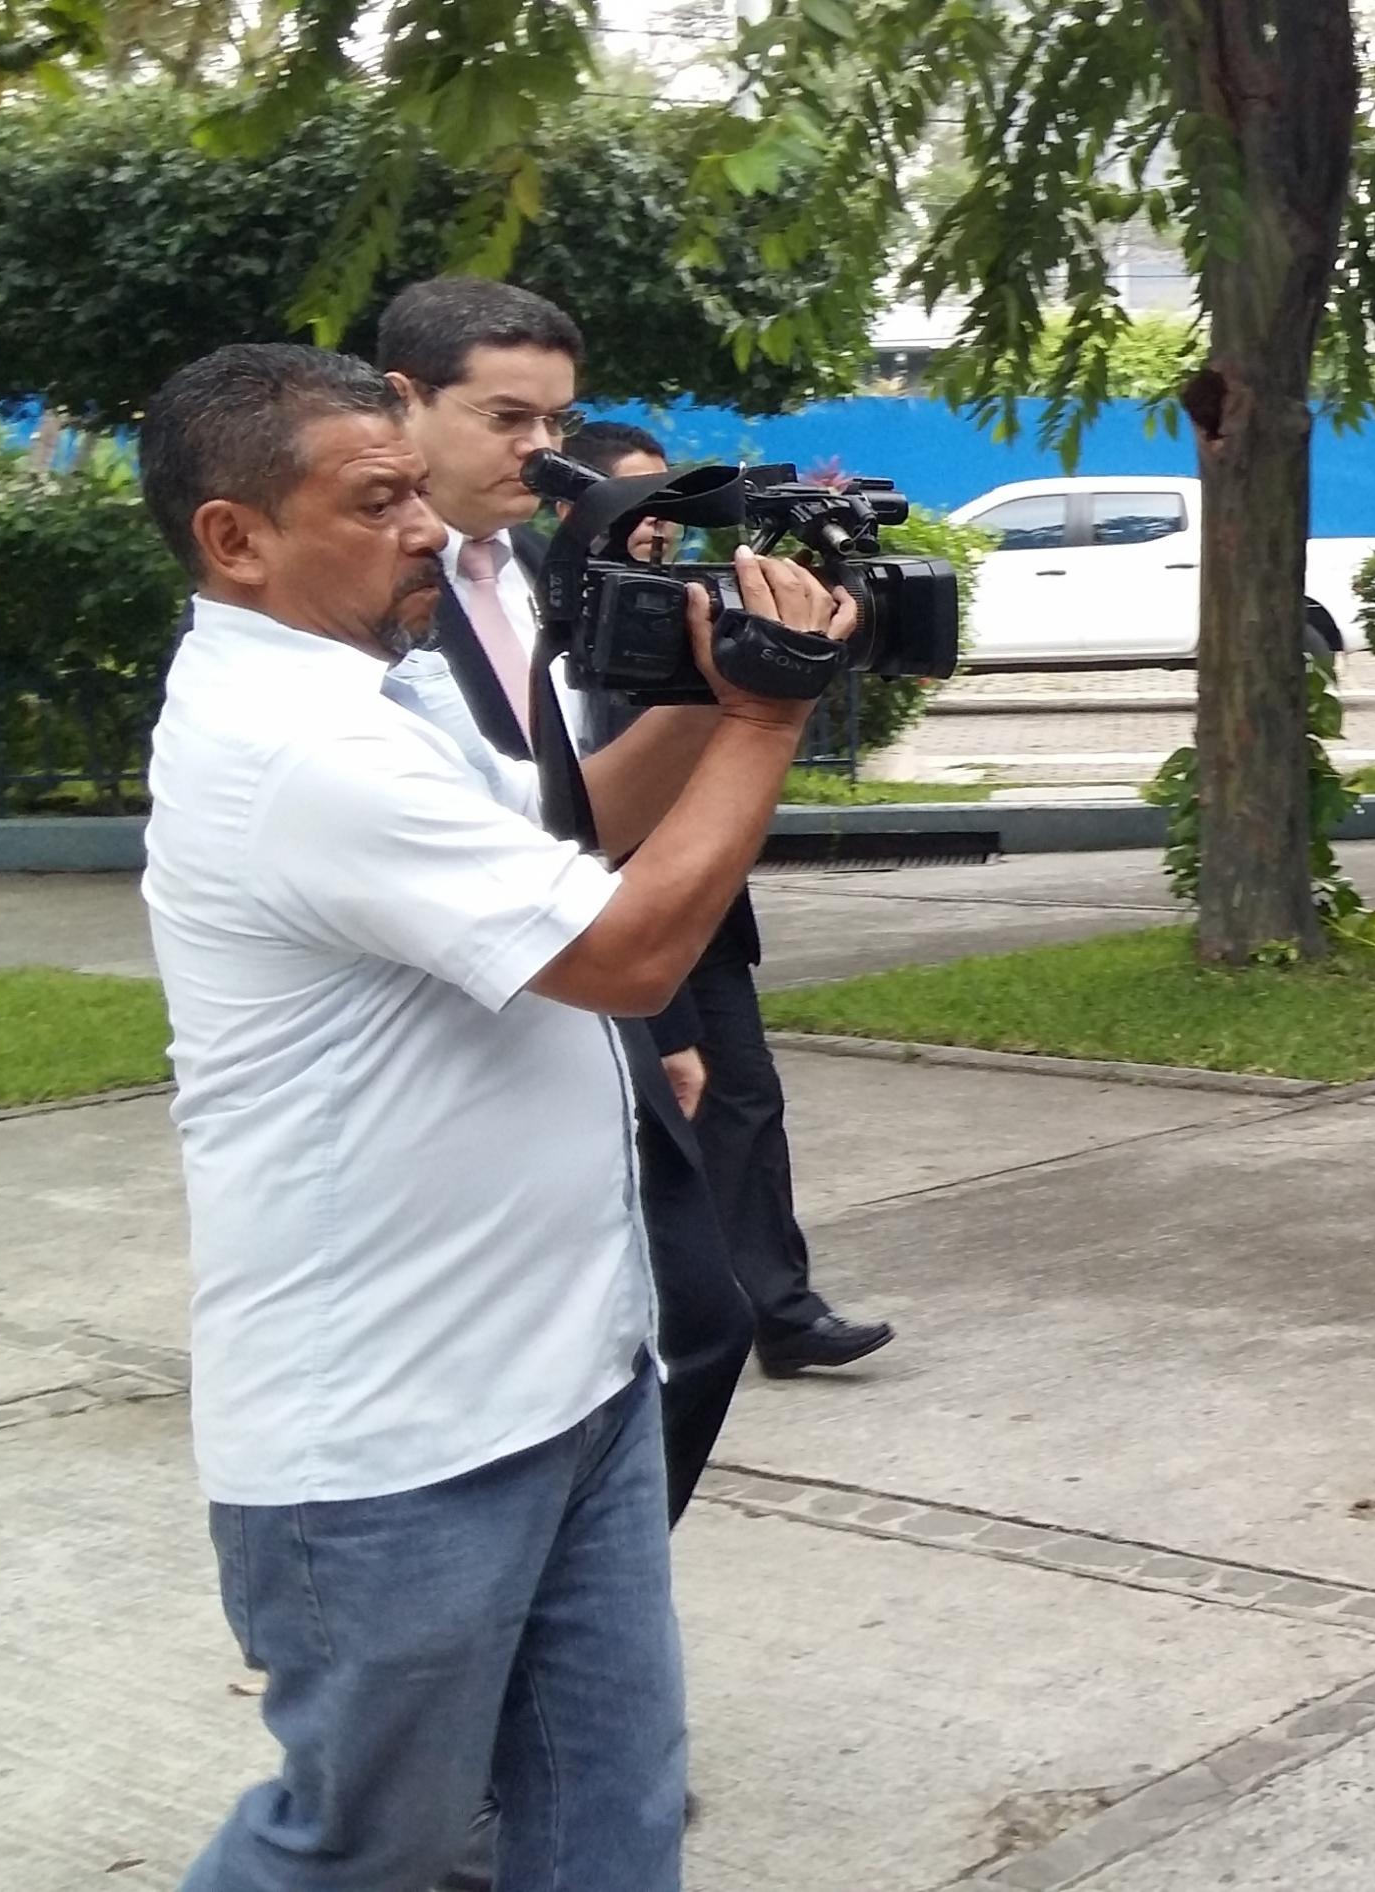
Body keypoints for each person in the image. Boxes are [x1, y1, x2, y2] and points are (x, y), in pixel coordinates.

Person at [139, 342, 855, 1888]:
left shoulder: (375, 694)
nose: (422, 528)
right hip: (396, 1440)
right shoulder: (297, 749)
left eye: (414, 491)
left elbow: (568, 835)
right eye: (376, 499)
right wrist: (768, 726)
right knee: (357, 1851)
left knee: (608, 1817)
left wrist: (715, 689)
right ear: (233, 537)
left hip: (568, 1377)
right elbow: (624, 948)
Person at [373, 277, 757, 1520]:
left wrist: (672, 1020)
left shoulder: (547, 566)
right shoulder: (348, 602)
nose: (540, 453)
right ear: (403, 402)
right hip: (449, 1042)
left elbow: (575, 814)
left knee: (700, 1315)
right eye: (506, 419)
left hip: (595, 986)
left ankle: (593, 1594)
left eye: (556, 422)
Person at [559, 419, 896, 1377]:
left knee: (746, 1102)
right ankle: (670, 1318)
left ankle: (782, 1313)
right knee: (662, 1111)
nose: (659, 526)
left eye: (668, 505)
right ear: (575, 509)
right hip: (602, 907)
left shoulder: (699, 602)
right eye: (637, 503)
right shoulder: (549, 618)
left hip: (704, 907)